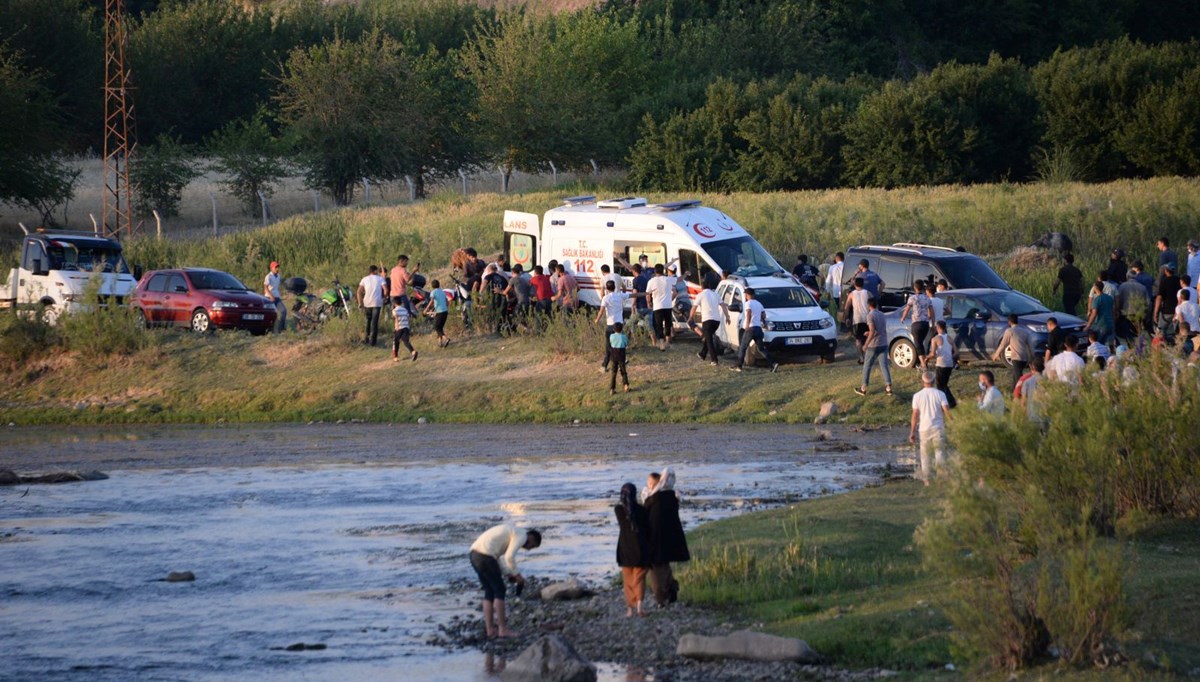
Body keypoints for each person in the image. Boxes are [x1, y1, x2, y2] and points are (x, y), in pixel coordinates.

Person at [469, 524, 541, 640]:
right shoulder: (522, 535)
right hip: (485, 557)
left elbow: (497, 557)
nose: (528, 549)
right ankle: (503, 629)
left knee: (489, 592)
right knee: (500, 590)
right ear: (531, 537)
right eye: (532, 546)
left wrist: (508, 573)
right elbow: (509, 557)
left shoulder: (511, 532)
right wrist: (517, 575)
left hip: (474, 555)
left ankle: (490, 630)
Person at [643, 467, 689, 608]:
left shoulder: (653, 499)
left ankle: (661, 599)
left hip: (656, 539)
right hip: (669, 539)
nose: (648, 486)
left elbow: (648, 518)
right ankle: (670, 590)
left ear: (658, 483)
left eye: (650, 483)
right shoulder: (673, 496)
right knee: (663, 566)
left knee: (656, 569)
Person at [614, 483, 650, 618]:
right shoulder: (642, 510)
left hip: (625, 548)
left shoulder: (618, 510)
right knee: (639, 578)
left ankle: (629, 610)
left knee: (627, 578)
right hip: (641, 548)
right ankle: (640, 607)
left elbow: (624, 510)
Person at [909, 371, 950, 485]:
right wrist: (952, 422)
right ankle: (942, 478)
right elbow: (946, 410)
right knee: (940, 453)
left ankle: (927, 480)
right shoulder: (940, 394)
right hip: (938, 427)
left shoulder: (917, 396)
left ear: (923, 382)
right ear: (934, 381)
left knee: (925, 455)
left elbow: (915, 415)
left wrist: (912, 432)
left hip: (924, 429)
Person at [731, 288, 777, 372]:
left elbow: (748, 313)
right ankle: (773, 363)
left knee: (743, 347)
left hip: (751, 328)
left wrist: (747, 325)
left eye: (746, 294)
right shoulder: (759, 304)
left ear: (748, 295)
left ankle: (739, 366)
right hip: (758, 328)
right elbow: (763, 315)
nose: (745, 296)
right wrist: (763, 322)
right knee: (761, 349)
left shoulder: (748, 303)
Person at [689, 276, 730, 366]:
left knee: (709, 340)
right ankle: (703, 354)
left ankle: (714, 360)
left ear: (702, 287)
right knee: (709, 337)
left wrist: (690, 317)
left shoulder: (701, 295)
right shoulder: (715, 294)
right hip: (716, 321)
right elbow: (723, 305)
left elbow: (694, 307)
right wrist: (727, 316)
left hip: (707, 320)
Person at [855, 297, 892, 396]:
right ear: (877, 305)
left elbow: (872, 331)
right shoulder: (882, 314)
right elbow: (878, 329)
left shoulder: (870, 315)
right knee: (884, 366)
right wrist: (870, 332)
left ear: (869, 306)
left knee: (867, 366)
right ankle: (888, 387)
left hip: (874, 345)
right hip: (883, 343)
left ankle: (863, 388)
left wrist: (866, 344)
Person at [595, 280, 631, 373]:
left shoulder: (605, 298)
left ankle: (604, 366)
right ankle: (622, 361)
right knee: (620, 345)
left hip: (611, 325)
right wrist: (646, 293)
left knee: (609, 346)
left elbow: (601, 311)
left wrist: (597, 320)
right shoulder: (620, 295)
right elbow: (633, 295)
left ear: (606, 288)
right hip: (619, 324)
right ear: (615, 287)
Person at [993, 313, 1033, 391]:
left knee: (1018, 376)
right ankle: (1013, 390)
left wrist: (996, 354)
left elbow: (1003, 344)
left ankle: (1020, 390)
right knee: (1015, 375)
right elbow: (1029, 344)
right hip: (1024, 357)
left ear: (1009, 322)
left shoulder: (1010, 331)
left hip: (1016, 357)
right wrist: (1031, 357)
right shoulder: (1024, 331)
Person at [900, 280, 933, 364]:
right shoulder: (927, 298)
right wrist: (931, 319)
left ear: (914, 288)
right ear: (923, 288)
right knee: (920, 343)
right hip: (925, 323)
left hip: (916, 323)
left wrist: (903, 318)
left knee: (918, 343)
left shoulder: (912, 298)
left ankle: (923, 364)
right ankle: (922, 361)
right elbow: (931, 311)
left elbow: (907, 309)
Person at [927, 320, 957, 408]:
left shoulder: (935, 339)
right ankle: (951, 402)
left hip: (941, 364)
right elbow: (957, 352)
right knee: (944, 384)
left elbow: (932, 354)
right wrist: (951, 356)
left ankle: (943, 404)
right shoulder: (950, 338)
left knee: (940, 385)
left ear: (938, 328)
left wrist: (926, 358)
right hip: (949, 364)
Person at [355, 265, 387, 346]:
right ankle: (373, 341)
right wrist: (383, 297)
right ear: (375, 271)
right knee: (374, 322)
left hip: (367, 303)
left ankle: (366, 338)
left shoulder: (364, 279)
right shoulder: (380, 279)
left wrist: (360, 303)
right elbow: (386, 290)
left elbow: (358, 292)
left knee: (368, 321)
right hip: (377, 302)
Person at [646, 264, 676, 351]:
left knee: (658, 325)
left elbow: (648, 294)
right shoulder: (668, 279)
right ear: (663, 270)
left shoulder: (651, 281)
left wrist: (649, 303)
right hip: (667, 305)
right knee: (668, 323)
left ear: (655, 271)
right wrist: (670, 300)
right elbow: (674, 292)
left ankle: (662, 343)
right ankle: (668, 342)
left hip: (658, 306)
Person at [843, 277, 871, 363]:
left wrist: (846, 318)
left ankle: (861, 357)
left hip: (857, 319)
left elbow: (847, 307)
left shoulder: (851, 294)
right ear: (863, 284)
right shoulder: (868, 293)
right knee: (867, 338)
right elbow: (874, 305)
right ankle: (867, 356)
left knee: (858, 339)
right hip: (867, 319)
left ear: (855, 284)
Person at [1116, 271, 1150, 340]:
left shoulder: (1122, 286)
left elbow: (1118, 300)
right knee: (1138, 334)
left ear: (1127, 276)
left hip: (1126, 314)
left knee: (1128, 336)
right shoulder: (1142, 287)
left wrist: (1118, 311)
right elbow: (1148, 303)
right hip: (1139, 314)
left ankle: (1130, 348)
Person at [1153, 263, 1181, 336]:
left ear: (1166, 271)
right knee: (1175, 333)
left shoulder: (1164, 281)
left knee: (1161, 332)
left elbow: (1159, 298)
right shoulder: (1179, 280)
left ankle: (1162, 346)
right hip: (1177, 311)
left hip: (1166, 311)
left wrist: (1155, 313)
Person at [424, 279, 450, 347]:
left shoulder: (433, 292)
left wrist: (426, 309)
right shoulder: (442, 292)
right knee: (440, 327)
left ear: (432, 286)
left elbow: (431, 301)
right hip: (445, 311)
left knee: (436, 327)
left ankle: (446, 338)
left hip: (439, 312)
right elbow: (447, 302)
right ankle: (440, 343)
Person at [1019, 356, 1046, 424]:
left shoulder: (1027, 382)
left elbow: (1023, 402)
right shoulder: (1048, 381)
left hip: (1031, 416)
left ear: (1031, 367)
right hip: (1046, 417)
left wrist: (1022, 418)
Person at [608, 322, 631, 394]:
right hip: (621, 356)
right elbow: (626, 345)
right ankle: (626, 386)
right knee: (623, 372)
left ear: (614, 329)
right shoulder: (624, 337)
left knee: (613, 373)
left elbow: (611, 344)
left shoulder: (611, 336)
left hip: (613, 356)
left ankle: (612, 389)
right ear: (621, 329)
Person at [824, 252, 845, 323]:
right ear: (843, 258)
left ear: (836, 259)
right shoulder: (846, 266)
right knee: (844, 308)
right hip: (844, 291)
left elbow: (828, 280)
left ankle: (839, 322)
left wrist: (828, 291)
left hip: (836, 292)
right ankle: (844, 323)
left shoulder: (832, 267)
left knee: (838, 308)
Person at [631, 263, 652, 327]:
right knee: (649, 325)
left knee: (633, 323)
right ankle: (652, 336)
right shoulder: (645, 279)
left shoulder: (635, 280)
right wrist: (649, 303)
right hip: (646, 305)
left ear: (634, 271)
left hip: (639, 306)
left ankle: (633, 336)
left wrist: (632, 304)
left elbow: (635, 293)